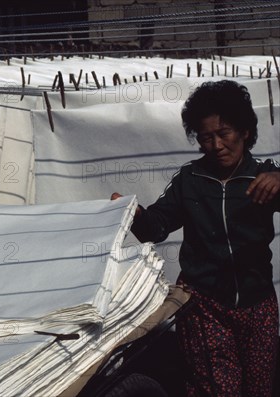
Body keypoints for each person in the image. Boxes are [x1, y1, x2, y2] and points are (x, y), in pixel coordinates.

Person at [112, 80, 280, 396]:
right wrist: (134, 214)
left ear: (245, 131)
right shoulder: (190, 181)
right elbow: (156, 227)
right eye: (206, 137)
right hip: (206, 306)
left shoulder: (264, 178)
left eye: (224, 133)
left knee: (259, 388)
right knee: (219, 390)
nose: (216, 145)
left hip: (258, 306)